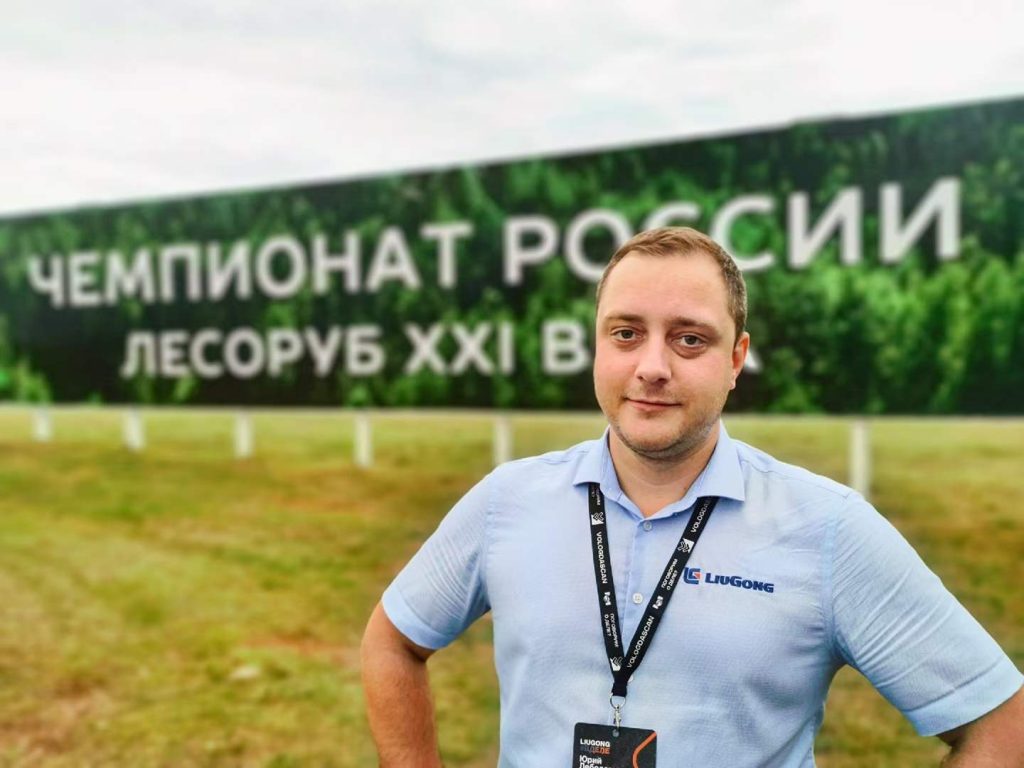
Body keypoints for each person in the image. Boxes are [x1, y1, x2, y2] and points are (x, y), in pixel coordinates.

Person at [361, 227, 1024, 767]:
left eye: (689, 339)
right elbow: (391, 642)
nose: (652, 367)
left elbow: (1002, 725)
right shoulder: (508, 501)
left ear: (736, 359)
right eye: (626, 333)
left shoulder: (828, 529)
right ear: (597, 347)